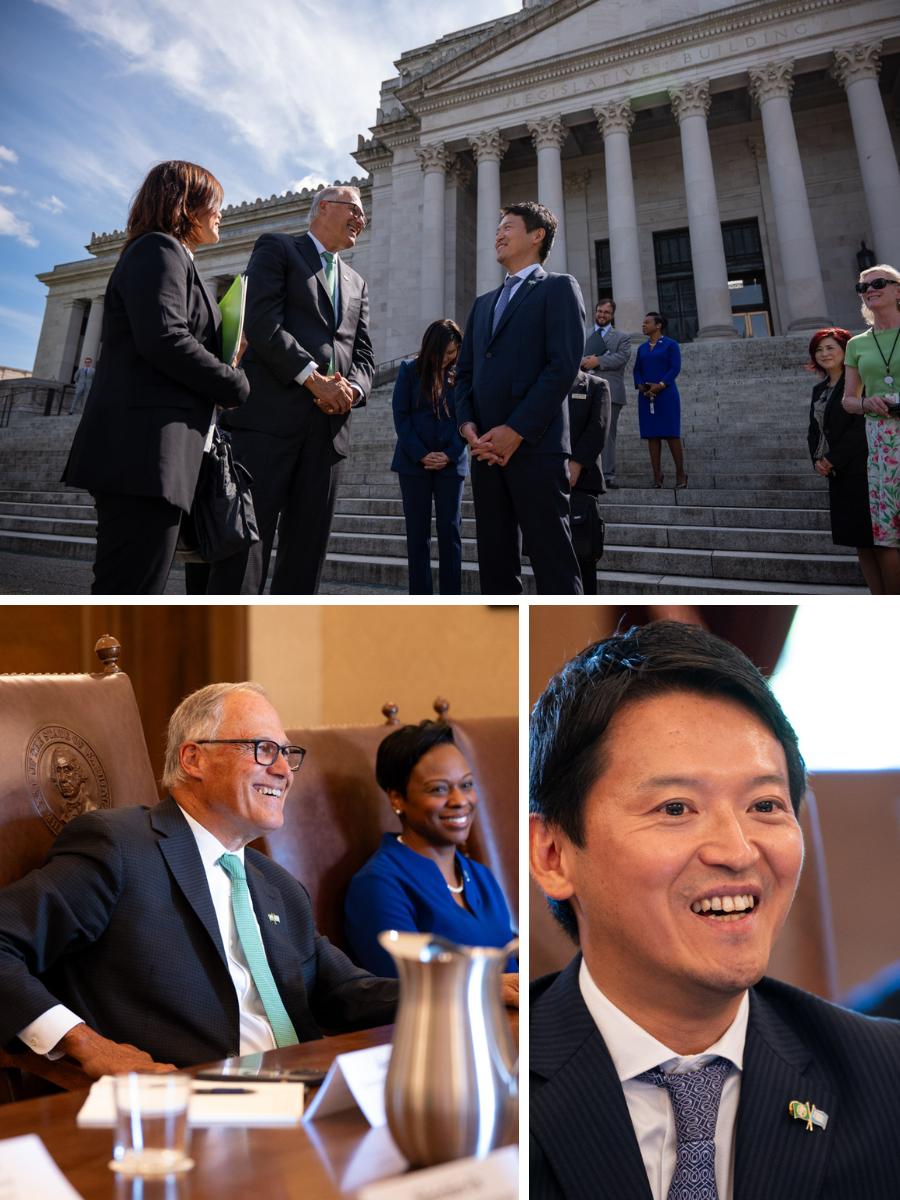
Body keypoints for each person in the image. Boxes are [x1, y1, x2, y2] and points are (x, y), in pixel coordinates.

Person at [529, 621, 900, 1200]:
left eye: (766, 805)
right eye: (676, 808)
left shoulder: (884, 1076)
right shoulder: (482, 1087)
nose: (736, 851)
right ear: (553, 854)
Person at [0, 682, 398, 1077]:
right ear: (194, 759)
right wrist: (86, 1044)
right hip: (189, 1106)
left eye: (287, 754)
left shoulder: (279, 886)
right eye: (263, 750)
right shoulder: (119, 846)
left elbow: (342, 993)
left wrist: (452, 990)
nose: (283, 771)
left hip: (308, 1091)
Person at [63, 161, 250, 595]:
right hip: (143, 454)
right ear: (186, 205)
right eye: (214, 203)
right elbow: (165, 340)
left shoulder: (168, 255)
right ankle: (103, 664)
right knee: (129, 590)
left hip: (152, 454)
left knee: (136, 587)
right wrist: (232, 382)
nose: (221, 212)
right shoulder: (157, 250)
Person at [207, 186, 375, 596]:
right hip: (267, 425)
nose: (361, 219)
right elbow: (261, 322)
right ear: (323, 208)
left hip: (327, 433)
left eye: (364, 215)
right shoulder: (278, 248)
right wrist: (314, 378)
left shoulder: (357, 282)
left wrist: (351, 389)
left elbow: (365, 353)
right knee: (246, 546)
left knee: (306, 553)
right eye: (354, 209)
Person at [454, 201, 585, 595]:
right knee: (495, 564)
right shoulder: (482, 304)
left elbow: (563, 366)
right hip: (485, 452)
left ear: (536, 235)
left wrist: (516, 430)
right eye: (498, 227)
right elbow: (464, 374)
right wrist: (467, 426)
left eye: (507, 227)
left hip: (536, 447)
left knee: (553, 563)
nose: (498, 233)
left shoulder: (558, 287)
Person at [344, 721, 518, 1002]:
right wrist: (488, 985)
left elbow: (514, 982)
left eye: (467, 785)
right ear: (397, 798)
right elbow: (404, 992)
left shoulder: (482, 876)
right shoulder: (378, 885)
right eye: (439, 789)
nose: (460, 800)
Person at [391, 319, 468, 595]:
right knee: (417, 534)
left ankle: (452, 599)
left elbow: (468, 417)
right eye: (442, 353)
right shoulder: (409, 370)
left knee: (450, 533)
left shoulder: (461, 374)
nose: (446, 358)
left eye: (452, 353)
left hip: (451, 463)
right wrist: (422, 454)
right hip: (414, 464)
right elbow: (401, 415)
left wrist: (449, 454)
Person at [805, 328, 879, 591]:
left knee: (878, 541)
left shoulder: (859, 381)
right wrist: (817, 459)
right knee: (860, 541)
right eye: (819, 349)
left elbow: (860, 427)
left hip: (861, 470)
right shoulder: (819, 389)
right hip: (837, 476)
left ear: (846, 351)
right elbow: (814, 429)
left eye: (830, 348)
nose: (824, 354)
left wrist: (833, 458)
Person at [842, 264, 900, 594]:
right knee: (886, 533)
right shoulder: (857, 344)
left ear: (898, 290)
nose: (868, 289)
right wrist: (867, 403)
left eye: (877, 283)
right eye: (862, 287)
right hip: (881, 441)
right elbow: (849, 400)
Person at [566, 370, 611, 594]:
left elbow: (599, 427)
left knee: (582, 558)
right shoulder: (543, 384)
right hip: (547, 482)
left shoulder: (596, 385)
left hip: (581, 482)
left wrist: (576, 464)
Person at [582, 299, 631, 489]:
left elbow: (622, 357)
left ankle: (608, 475)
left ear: (612, 315)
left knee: (607, 434)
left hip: (610, 391)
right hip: (585, 389)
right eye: (599, 311)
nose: (602, 315)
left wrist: (598, 361)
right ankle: (585, 471)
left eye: (606, 313)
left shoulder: (621, 337)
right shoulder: (584, 333)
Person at [633, 313, 685, 489]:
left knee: (671, 433)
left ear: (658, 325)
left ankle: (680, 473)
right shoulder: (641, 348)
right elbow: (637, 370)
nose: (643, 325)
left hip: (666, 394)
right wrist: (641, 387)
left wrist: (660, 385)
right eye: (643, 322)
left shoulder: (671, 344)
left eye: (647, 322)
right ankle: (657, 475)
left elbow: (675, 367)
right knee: (652, 435)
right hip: (646, 396)